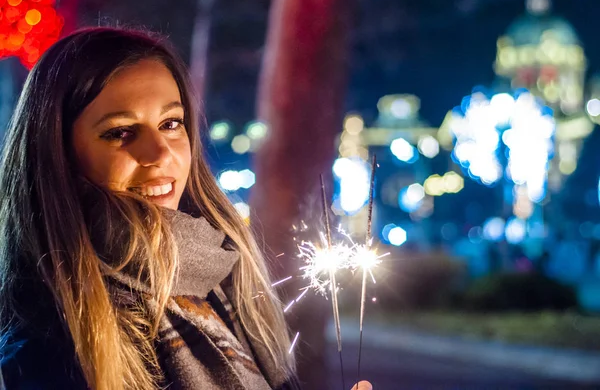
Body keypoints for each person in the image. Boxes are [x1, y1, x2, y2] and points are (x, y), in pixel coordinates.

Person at [0, 27, 373, 390]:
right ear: (57, 155)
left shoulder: (221, 282)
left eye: (171, 123)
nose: (161, 153)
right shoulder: (49, 341)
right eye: (120, 132)